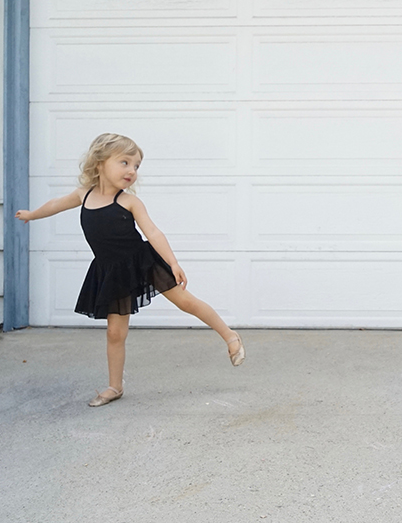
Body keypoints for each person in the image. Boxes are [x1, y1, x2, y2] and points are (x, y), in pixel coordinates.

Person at [15, 133, 245, 407]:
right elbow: (55, 205)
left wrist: (172, 262)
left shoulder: (129, 202)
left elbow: (154, 233)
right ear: (99, 163)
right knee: (115, 333)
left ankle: (230, 336)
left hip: (142, 261)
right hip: (111, 272)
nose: (132, 171)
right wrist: (31, 214)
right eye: (124, 162)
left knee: (186, 301)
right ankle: (115, 386)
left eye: (136, 166)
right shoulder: (83, 195)